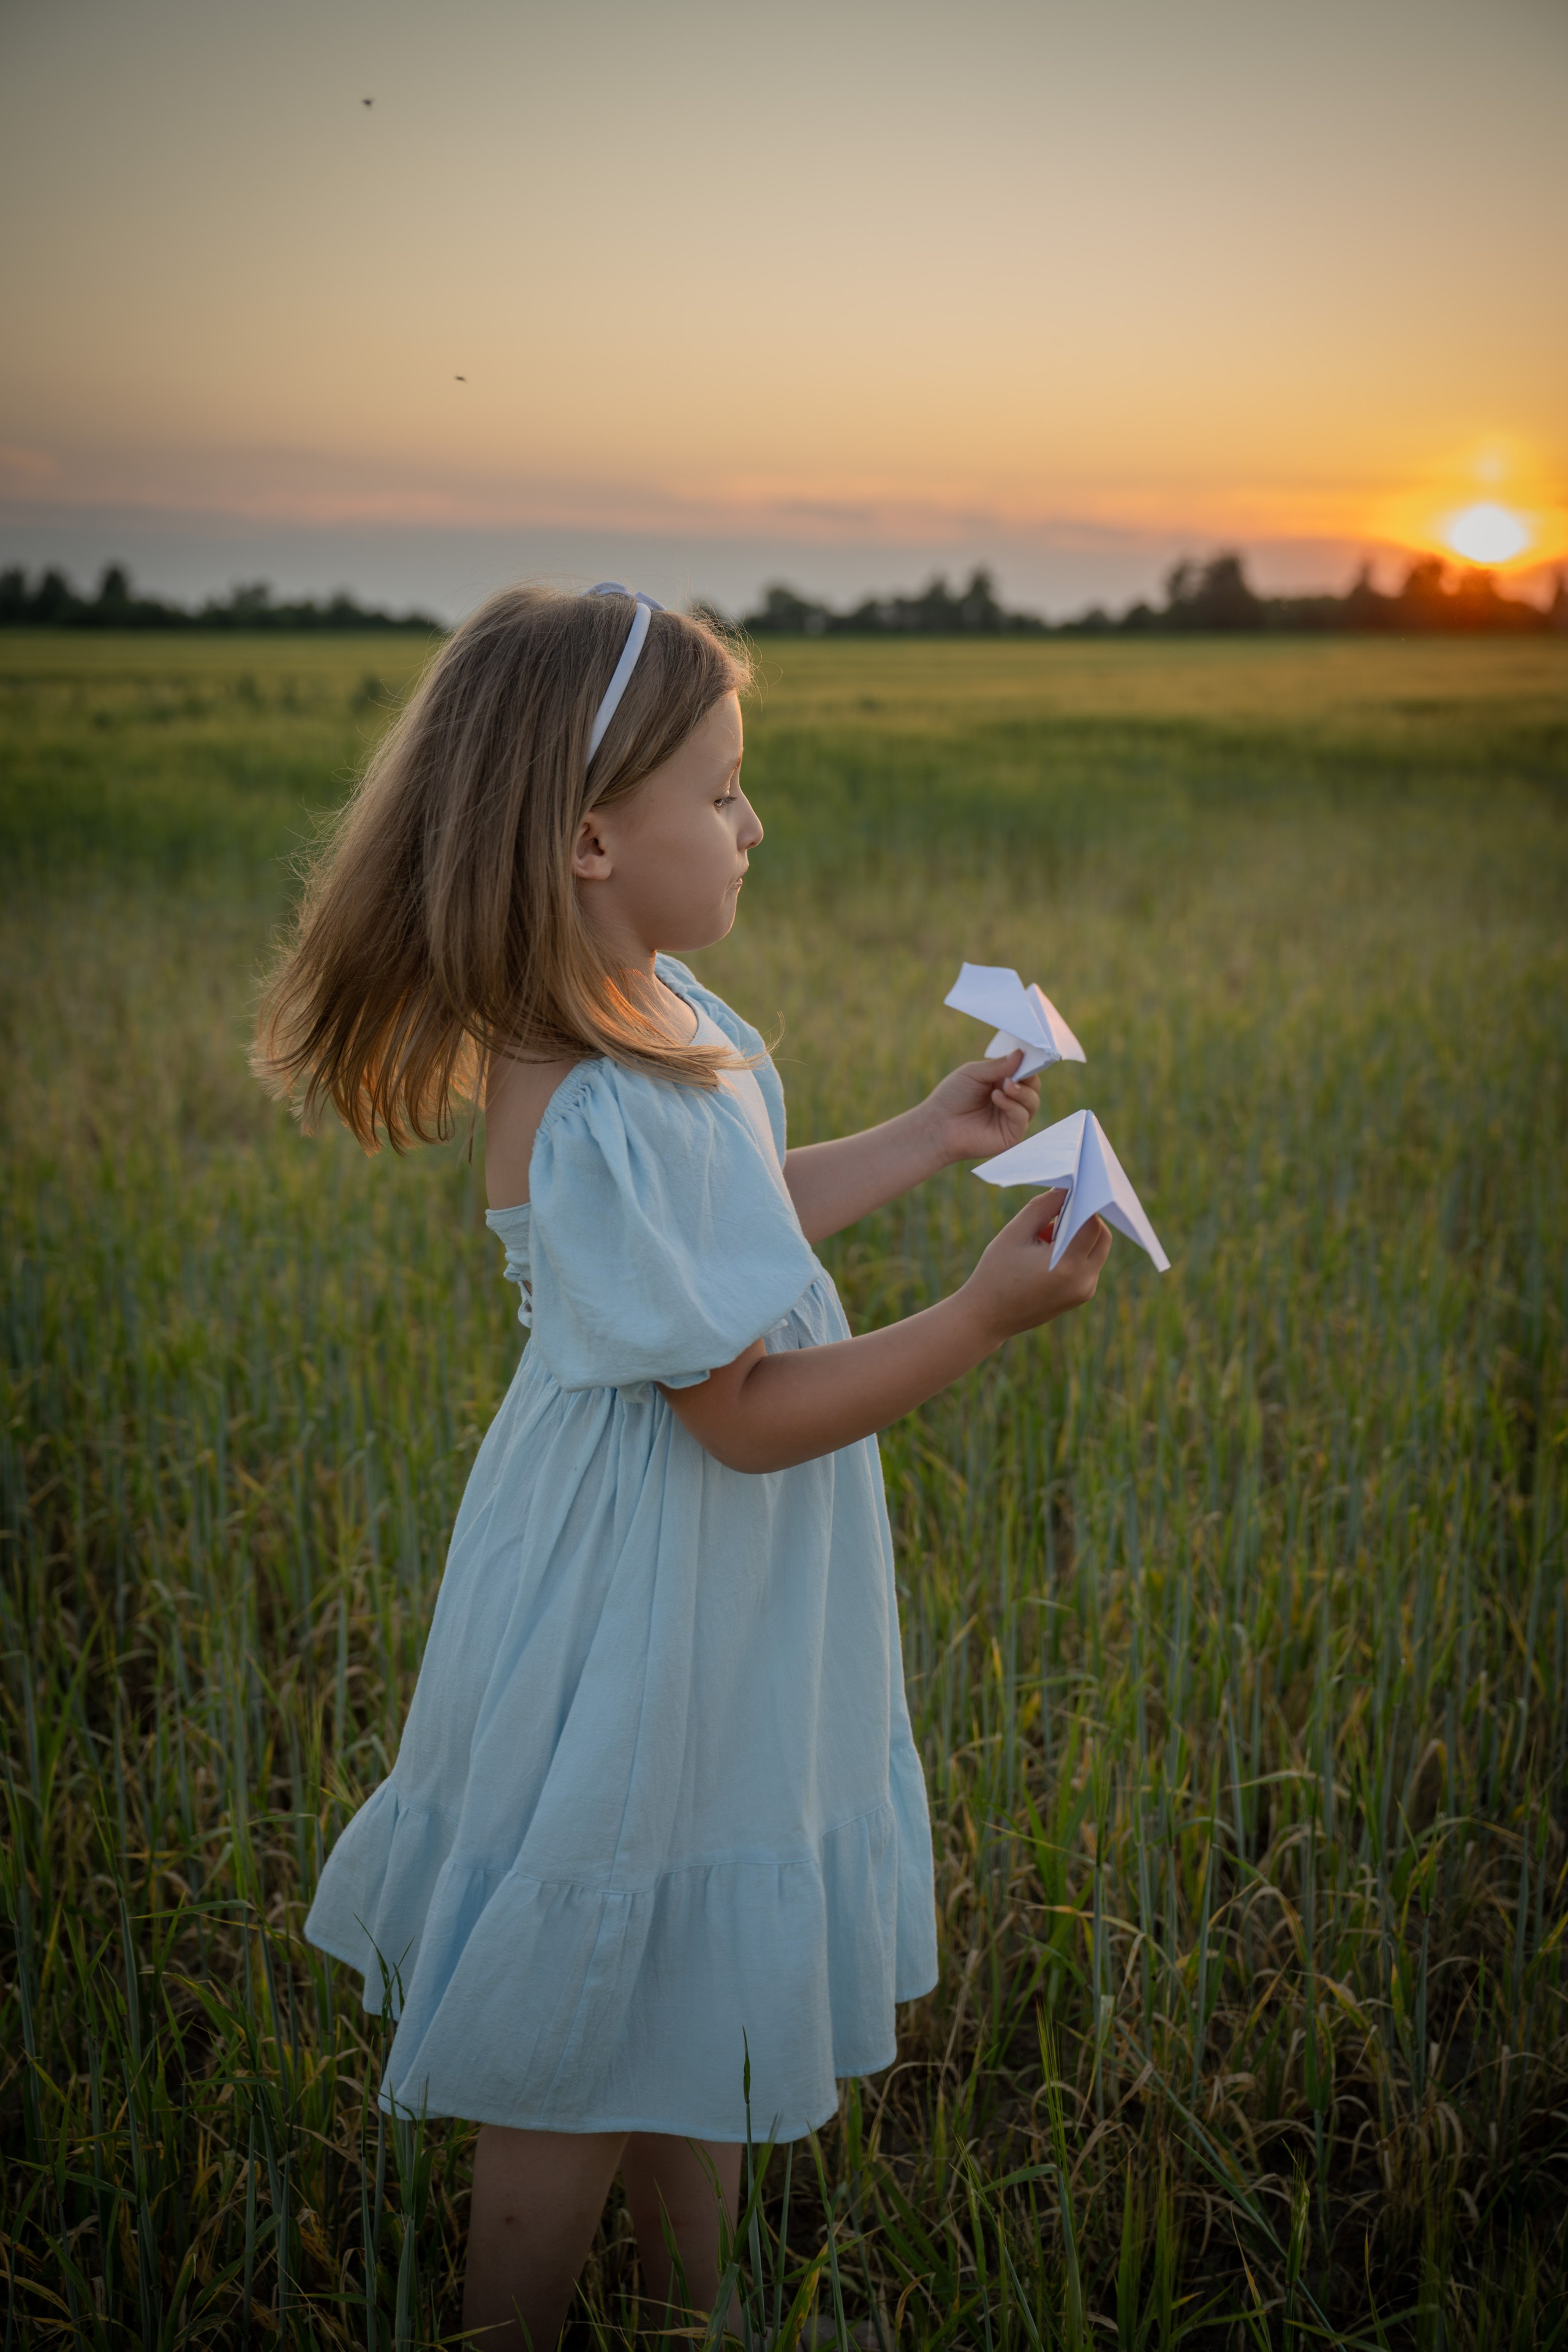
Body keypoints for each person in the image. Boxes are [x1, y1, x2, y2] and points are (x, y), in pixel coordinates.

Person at [255, 583, 1112, 2348]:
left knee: (689, 1938)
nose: (754, 820)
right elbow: (731, 1413)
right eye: (721, 789)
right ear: (587, 838)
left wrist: (930, 1134)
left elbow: (739, 1218)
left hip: (718, 1573)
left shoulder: (660, 1006)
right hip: (651, 1567)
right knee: (596, 1966)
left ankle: (696, 2312)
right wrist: (969, 1320)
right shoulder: (572, 1092)